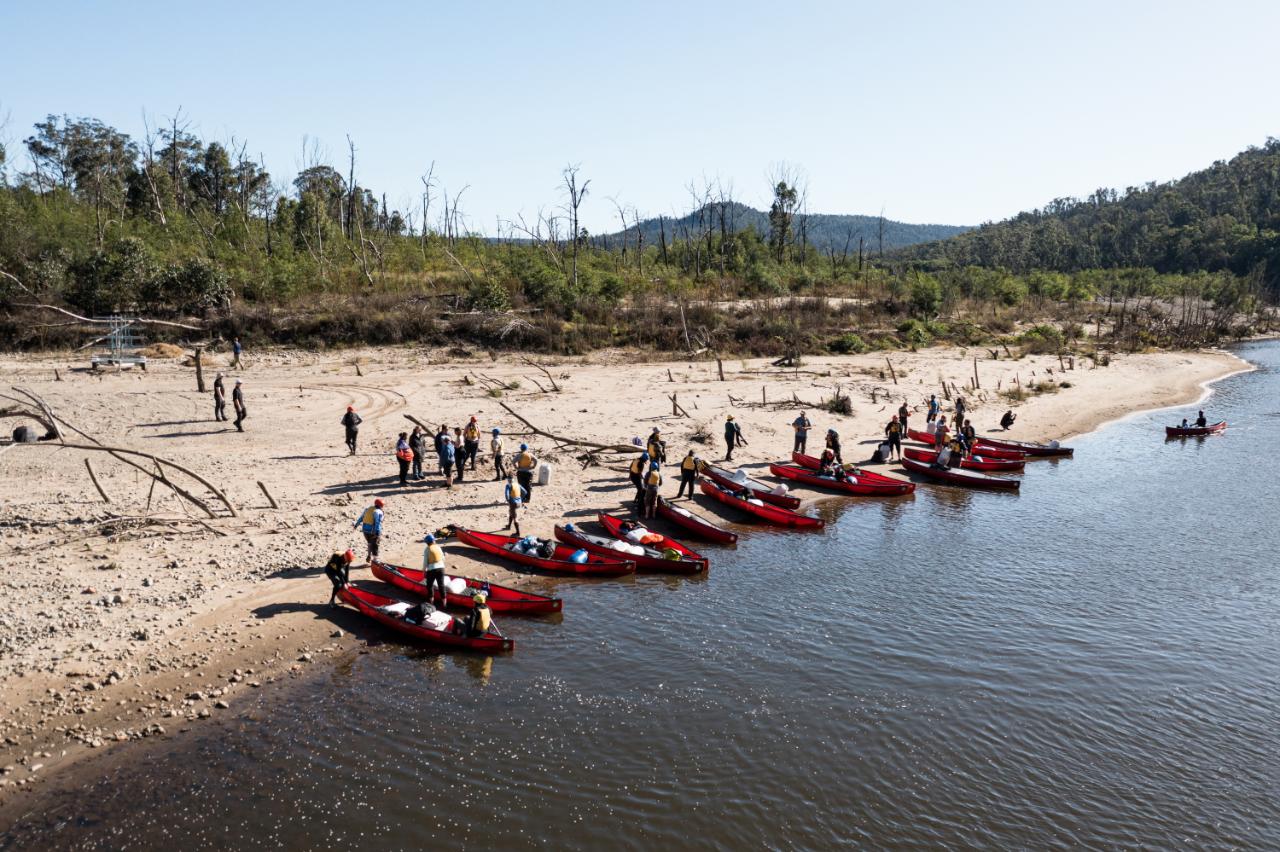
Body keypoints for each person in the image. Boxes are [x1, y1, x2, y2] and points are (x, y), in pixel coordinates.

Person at [422, 533, 446, 606]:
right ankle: (444, 604)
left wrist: (424, 571)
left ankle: (431, 603)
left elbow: (425, 563)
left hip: (432, 570)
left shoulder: (427, 549)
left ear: (427, 542)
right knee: (441, 586)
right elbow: (443, 558)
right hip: (441, 568)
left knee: (429, 586)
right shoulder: (438, 547)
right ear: (433, 541)